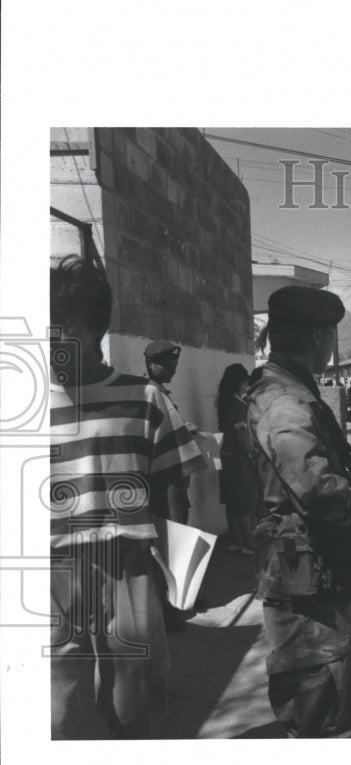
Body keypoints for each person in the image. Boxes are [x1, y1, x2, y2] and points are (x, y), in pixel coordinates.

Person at [49, 256, 205, 738]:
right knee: (57, 697)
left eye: (64, 325)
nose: (51, 337)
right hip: (52, 569)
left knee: (134, 693)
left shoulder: (144, 400)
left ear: (96, 329)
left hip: (129, 563)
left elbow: (171, 491)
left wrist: (181, 577)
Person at [247, 285, 351, 738]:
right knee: (324, 715)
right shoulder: (284, 401)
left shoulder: (291, 391)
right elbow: (318, 491)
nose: (333, 347)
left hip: (324, 575)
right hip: (310, 585)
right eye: (332, 336)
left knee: (339, 702)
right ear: (319, 335)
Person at [143, 339, 207, 631]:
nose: (171, 370)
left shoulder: (160, 393)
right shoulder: (151, 394)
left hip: (174, 479)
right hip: (164, 480)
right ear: (151, 364)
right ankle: (170, 611)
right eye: (166, 365)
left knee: (177, 537)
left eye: (174, 365)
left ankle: (180, 601)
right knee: (172, 541)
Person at [217, 363, 255, 557]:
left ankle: (235, 541)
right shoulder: (238, 405)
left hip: (225, 457)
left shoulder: (223, 402)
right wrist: (251, 453)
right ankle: (248, 543)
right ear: (241, 383)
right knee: (243, 503)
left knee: (231, 502)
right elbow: (242, 437)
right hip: (239, 460)